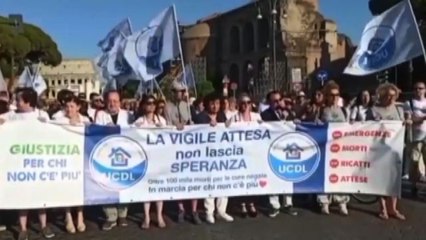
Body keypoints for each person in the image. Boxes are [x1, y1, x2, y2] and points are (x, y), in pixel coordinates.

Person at [0, 88, 54, 240]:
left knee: (40, 195)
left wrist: (47, 125)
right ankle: (23, 228)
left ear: (28, 102)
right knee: (22, 195)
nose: (15, 102)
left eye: (18, 100)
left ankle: (44, 225)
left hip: (38, 162)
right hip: (18, 163)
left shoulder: (41, 115)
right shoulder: (11, 116)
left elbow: (54, 132)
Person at [365, 83, 408, 220]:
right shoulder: (374, 110)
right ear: (381, 96)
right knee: (381, 180)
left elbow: (403, 124)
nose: (390, 98)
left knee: (394, 180)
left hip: (396, 149)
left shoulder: (399, 109)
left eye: (393, 96)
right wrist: (374, 123)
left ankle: (393, 208)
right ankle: (383, 208)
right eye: (387, 96)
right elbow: (365, 129)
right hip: (379, 150)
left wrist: (407, 122)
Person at [94, 90, 134, 231]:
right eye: (110, 101)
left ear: (120, 102)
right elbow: (95, 132)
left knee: (124, 183)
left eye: (115, 101)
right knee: (106, 185)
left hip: (124, 155)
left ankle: (123, 214)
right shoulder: (100, 115)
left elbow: (135, 132)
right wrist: (106, 129)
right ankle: (110, 216)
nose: (112, 104)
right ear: (105, 101)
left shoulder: (128, 115)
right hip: (106, 155)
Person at [165, 81, 201, 224]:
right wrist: (175, 126)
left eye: (182, 91)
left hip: (189, 147)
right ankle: (180, 208)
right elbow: (166, 125)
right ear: (173, 92)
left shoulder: (188, 106)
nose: (180, 93)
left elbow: (194, 122)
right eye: (177, 91)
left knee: (193, 178)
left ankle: (193, 210)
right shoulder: (167, 107)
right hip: (175, 147)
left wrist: (189, 126)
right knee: (179, 179)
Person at [194, 93, 234, 224]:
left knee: (223, 181)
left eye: (217, 103)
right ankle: (209, 212)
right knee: (209, 183)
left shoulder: (222, 116)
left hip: (222, 155)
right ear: (207, 104)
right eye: (212, 103)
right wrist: (207, 125)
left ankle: (221, 210)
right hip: (206, 156)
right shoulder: (201, 117)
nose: (215, 106)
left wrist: (227, 126)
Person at [52, 96, 89, 233]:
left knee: (79, 188)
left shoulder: (85, 119)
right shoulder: (59, 119)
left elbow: (92, 130)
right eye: (67, 106)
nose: (69, 109)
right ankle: (68, 216)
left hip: (80, 158)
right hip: (66, 158)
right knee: (67, 187)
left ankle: (80, 216)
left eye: (72, 106)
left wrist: (79, 123)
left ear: (78, 107)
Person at [260, 90, 298, 217]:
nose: (277, 103)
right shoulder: (265, 114)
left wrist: (287, 115)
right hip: (273, 148)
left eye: (278, 100)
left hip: (288, 147)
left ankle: (288, 203)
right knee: (274, 176)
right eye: (273, 101)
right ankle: (274, 205)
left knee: (288, 175)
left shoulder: (289, 112)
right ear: (269, 103)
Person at [133, 95, 167, 229]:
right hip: (145, 159)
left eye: (154, 103)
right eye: (148, 103)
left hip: (159, 159)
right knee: (146, 188)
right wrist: (137, 129)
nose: (151, 106)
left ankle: (159, 215)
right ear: (143, 106)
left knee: (159, 188)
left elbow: (171, 137)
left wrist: (163, 129)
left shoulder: (162, 120)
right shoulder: (139, 122)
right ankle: (146, 216)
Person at [226, 93, 261, 218]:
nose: (245, 105)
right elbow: (225, 128)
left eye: (247, 102)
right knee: (241, 178)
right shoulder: (234, 117)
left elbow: (265, 129)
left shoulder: (256, 116)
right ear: (239, 105)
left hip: (253, 153)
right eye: (243, 103)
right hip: (239, 153)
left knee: (252, 179)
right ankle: (242, 205)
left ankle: (251, 203)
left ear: (251, 104)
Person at [317, 82, 349, 216]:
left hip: (340, 148)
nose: (335, 97)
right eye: (332, 95)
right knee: (324, 175)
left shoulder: (343, 110)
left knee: (340, 175)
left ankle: (341, 202)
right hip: (326, 148)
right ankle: (324, 202)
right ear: (327, 96)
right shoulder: (321, 110)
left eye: (337, 95)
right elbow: (316, 126)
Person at [404, 81, 426, 196]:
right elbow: (410, 120)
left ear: (425, 90)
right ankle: (414, 186)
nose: (418, 90)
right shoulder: (409, 103)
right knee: (414, 163)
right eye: (416, 88)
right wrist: (422, 118)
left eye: (421, 88)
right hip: (415, 137)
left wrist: (419, 117)